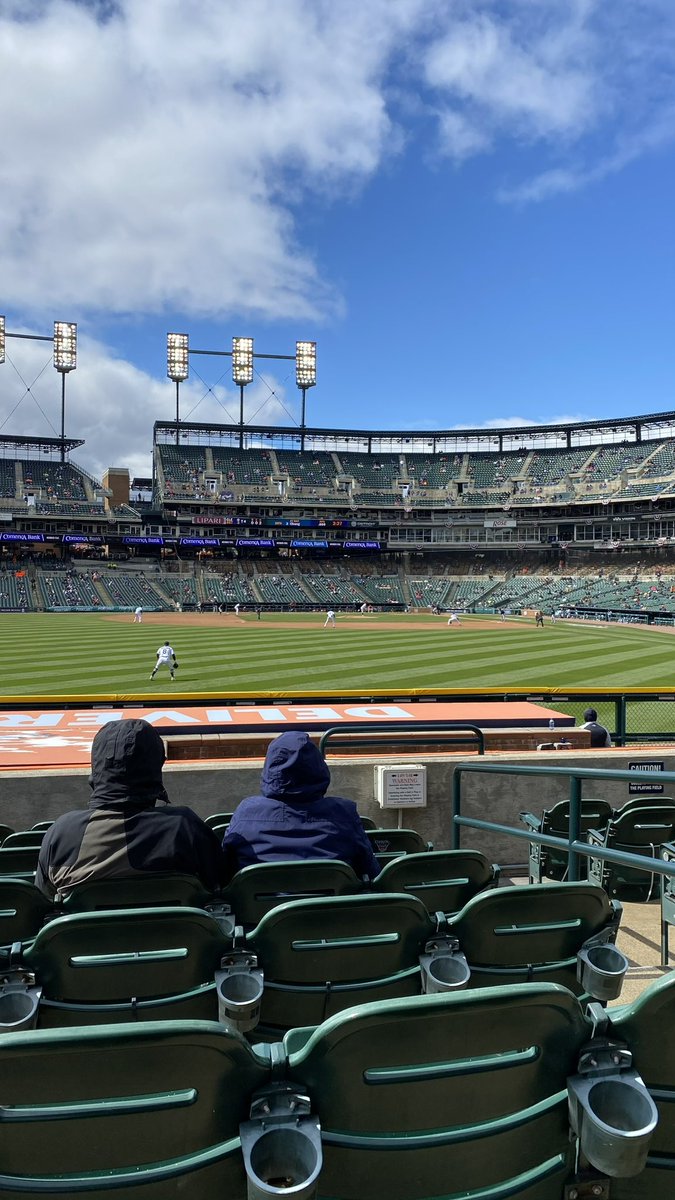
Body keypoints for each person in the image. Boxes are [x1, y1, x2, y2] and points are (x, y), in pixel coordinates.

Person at [35, 719, 225, 899]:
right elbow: (219, 888)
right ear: (154, 765)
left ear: (97, 766)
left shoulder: (61, 833)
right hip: (173, 933)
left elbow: (43, 904)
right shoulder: (184, 827)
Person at [222, 730, 380, 881]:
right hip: (330, 908)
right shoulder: (345, 813)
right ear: (318, 767)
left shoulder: (246, 812)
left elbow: (225, 872)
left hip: (260, 909)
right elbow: (370, 872)